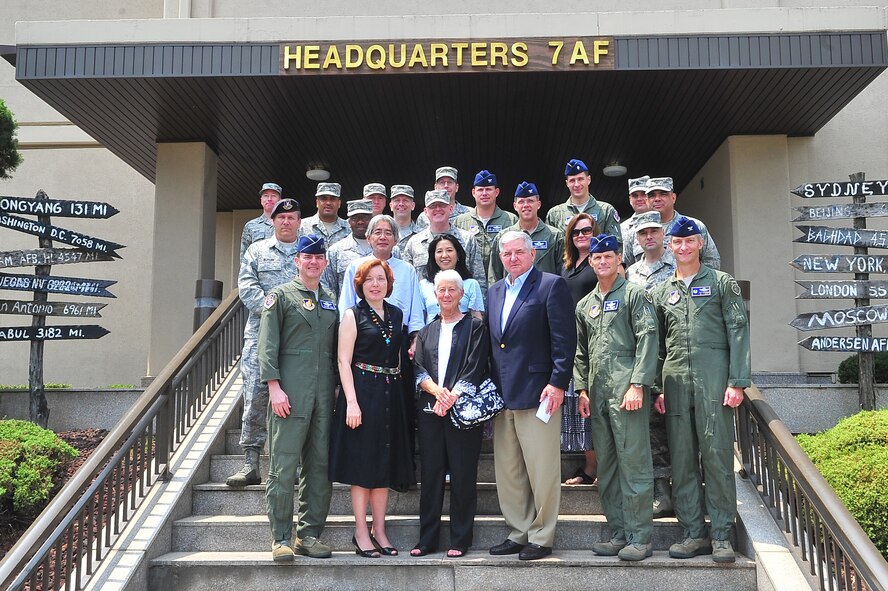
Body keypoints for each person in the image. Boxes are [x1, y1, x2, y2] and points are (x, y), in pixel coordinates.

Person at [651, 216, 750, 563]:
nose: (683, 247)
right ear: (669, 247)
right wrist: (657, 387)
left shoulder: (723, 284)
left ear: (700, 244)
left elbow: (738, 330)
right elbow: (659, 344)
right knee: (681, 460)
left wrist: (737, 381)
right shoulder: (663, 291)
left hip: (713, 379)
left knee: (717, 456)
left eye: (689, 241)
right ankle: (693, 533)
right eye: (676, 242)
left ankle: (722, 534)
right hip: (675, 380)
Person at [486, 231, 576, 561]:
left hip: (540, 392)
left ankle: (542, 535)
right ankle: (518, 531)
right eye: (506, 254)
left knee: (542, 469)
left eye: (518, 252)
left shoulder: (551, 285)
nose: (512, 258)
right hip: (503, 393)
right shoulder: (494, 291)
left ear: (533, 253)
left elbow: (564, 340)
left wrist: (558, 382)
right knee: (509, 471)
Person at [574, 234, 658, 562]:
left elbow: (648, 338)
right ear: (591, 262)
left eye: (609, 256)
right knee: (606, 466)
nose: (603, 261)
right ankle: (618, 531)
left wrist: (638, 383)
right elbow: (581, 351)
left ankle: (641, 537)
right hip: (598, 393)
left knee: (634, 463)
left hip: (627, 391)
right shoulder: (586, 304)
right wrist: (581, 389)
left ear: (618, 258)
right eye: (597, 257)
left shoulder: (635, 295)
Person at [258, 234, 338, 561]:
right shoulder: (280, 297)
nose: (314, 262)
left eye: (319, 257)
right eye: (308, 257)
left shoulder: (331, 299)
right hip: (289, 394)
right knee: (284, 467)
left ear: (326, 262)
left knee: (319, 467)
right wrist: (274, 388)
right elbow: (267, 346)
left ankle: (309, 535)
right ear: (297, 261)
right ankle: (280, 538)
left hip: (323, 396)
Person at [329, 259, 415, 558]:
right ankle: (361, 532)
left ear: (389, 283)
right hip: (363, 393)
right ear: (360, 285)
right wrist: (351, 402)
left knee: (384, 465)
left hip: (391, 394)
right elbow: (343, 361)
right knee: (363, 466)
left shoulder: (397, 313)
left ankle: (380, 530)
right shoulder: (352, 315)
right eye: (369, 280)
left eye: (381, 279)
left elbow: (399, 357)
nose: (375, 284)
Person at [411, 269, 491, 558]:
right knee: (431, 475)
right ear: (435, 295)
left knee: (462, 474)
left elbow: (476, 364)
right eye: (441, 290)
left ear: (461, 294)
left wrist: (452, 395)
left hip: (462, 410)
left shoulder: (475, 327)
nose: (446, 295)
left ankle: (460, 538)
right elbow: (418, 367)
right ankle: (427, 539)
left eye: (451, 290)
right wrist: (437, 393)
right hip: (431, 410)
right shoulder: (426, 330)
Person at [227, 198, 301, 488]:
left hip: (297, 337)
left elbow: (316, 286)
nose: (286, 222)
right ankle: (250, 462)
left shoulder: (307, 251)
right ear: (272, 220)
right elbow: (247, 287)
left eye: (292, 217)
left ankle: (290, 464)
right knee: (256, 394)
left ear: (298, 221)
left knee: (292, 399)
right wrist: (277, 311)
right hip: (260, 335)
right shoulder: (257, 251)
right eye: (281, 218)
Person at [626, 210, 677, 518]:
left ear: (663, 235)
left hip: (671, 353)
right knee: (648, 429)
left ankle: (675, 491)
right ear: (636, 238)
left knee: (671, 429)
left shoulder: (676, 269)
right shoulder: (630, 273)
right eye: (643, 233)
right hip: (641, 356)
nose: (649, 237)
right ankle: (657, 491)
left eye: (653, 232)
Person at [559, 213, 600, 486]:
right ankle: (589, 465)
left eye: (586, 231)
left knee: (595, 404)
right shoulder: (567, 265)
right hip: (571, 341)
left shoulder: (601, 260)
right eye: (576, 232)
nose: (581, 236)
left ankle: (602, 467)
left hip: (596, 340)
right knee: (580, 407)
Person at [402, 190, 487, 296]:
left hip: (462, 308)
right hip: (425, 309)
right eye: (433, 206)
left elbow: (480, 280)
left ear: (451, 209)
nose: (438, 209)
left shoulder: (467, 240)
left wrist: (479, 310)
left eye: (442, 205)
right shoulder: (414, 243)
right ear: (425, 211)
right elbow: (406, 281)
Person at [624, 177, 720, 269]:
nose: (657, 198)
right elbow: (627, 268)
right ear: (647, 200)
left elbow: (712, 261)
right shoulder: (635, 232)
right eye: (652, 195)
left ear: (673, 197)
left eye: (663, 194)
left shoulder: (694, 226)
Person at [489, 181, 564, 282]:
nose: (526, 205)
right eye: (521, 202)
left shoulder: (555, 236)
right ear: (515, 206)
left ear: (538, 204)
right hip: (513, 294)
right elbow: (494, 275)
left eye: (530, 201)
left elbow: (563, 272)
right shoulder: (503, 237)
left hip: (545, 294)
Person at [454, 169, 517, 286]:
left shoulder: (511, 220)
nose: (484, 193)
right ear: (473, 192)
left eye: (488, 189)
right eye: (480, 190)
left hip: (502, 284)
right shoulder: (461, 221)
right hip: (468, 286)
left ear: (496, 192)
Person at [545, 158, 622, 249]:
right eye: (572, 180)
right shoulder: (555, 214)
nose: (576, 184)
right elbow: (550, 249)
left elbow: (616, 246)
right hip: (566, 263)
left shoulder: (606, 210)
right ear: (567, 183)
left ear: (588, 179)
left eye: (580, 179)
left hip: (597, 262)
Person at [420, 234, 484, 323]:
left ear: (458, 255)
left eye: (449, 250)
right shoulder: (424, 285)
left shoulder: (471, 284)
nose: (444, 255)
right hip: (431, 335)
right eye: (439, 251)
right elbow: (420, 317)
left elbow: (476, 316)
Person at [321, 199, 373, 301]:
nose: (360, 222)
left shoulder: (385, 249)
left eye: (365, 218)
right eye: (355, 218)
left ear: (372, 220)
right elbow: (327, 286)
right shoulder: (336, 251)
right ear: (349, 222)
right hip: (348, 313)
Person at [300, 182, 351, 247]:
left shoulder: (349, 228)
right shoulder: (302, 226)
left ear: (339, 203)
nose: (328, 203)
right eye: (323, 199)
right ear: (317, 202)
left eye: (333, 199)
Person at [239, 182, 281, 260]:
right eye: (266, 196)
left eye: (273, 196)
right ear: (261, 199)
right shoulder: (251, 226)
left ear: (280, 200)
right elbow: (244, 256)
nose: (269, 199)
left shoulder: (287, 224)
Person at [620, 175, 651, 252]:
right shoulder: (622, 228)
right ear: (630, 199)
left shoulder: (663, 221)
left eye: (643, 194)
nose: (639, 199)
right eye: (635, 196)